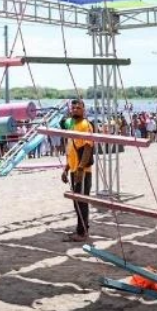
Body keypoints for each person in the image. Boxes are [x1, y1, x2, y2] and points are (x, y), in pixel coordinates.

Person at [61, 99, 94, 242]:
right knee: (77, 202)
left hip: (83, 170)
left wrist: (80, 168)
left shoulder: (85, 125)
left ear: (83, 110)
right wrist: (66, 169)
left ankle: (82, 233)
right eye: (73, 108)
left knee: (81, 202)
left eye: (78, 108)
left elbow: (87, 148)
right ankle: (81, 230)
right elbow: (71, 150)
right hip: (74, 169)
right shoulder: (72, 125)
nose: (75, 110)